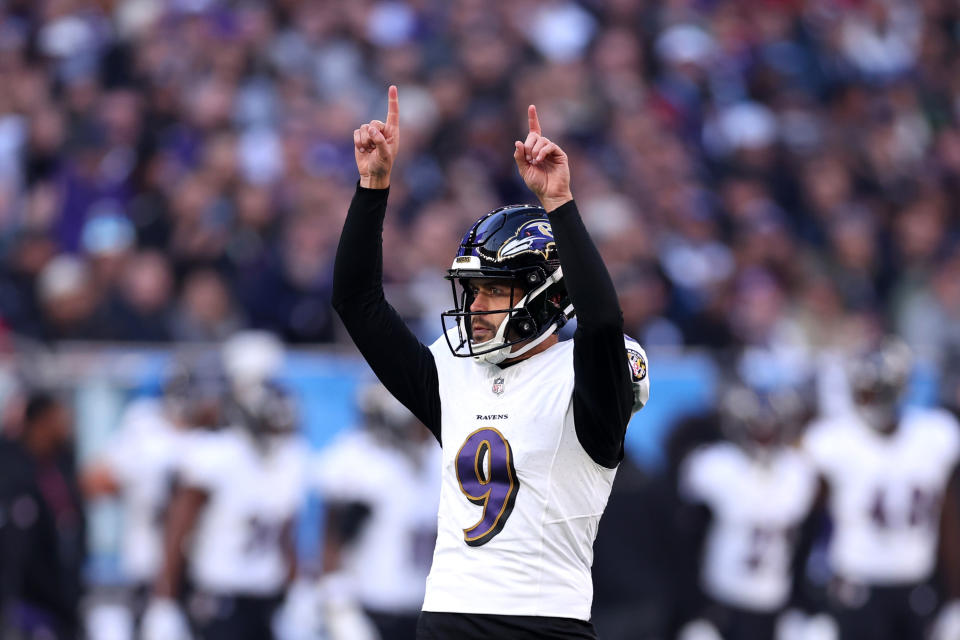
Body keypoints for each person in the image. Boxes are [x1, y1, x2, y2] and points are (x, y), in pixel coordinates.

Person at [332, 85, 650, 639]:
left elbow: (601, 321)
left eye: (491, 290)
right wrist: (372, 186)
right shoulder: (455, 374)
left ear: (546, 297)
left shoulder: (586, 379)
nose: (474, 307)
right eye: (471, 289)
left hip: (544, 623)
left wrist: (561, 203)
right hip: (447, 616)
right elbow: (355, 303)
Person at [803, 339, 960, 640]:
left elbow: (948, 519)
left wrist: (955, 596)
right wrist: (807, 602)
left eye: (880, 389)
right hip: (857, 586)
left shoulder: (933, 435)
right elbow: (801, 522)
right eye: (866, 390)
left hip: (917, 585)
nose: (873, 399)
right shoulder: (833, 441)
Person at [142, 374, 308, 640]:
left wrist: (296, 587)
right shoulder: (216, 455)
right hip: (219, 594)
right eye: (271, 426)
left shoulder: (289, 459)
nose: (278, 435)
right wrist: (164, 600)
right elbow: (177, 529)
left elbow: (285, 533)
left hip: (266, 595)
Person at [678, 383, 826, 640]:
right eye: (756, 428)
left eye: (769, 428)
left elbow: (806, 539)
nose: (763, 435)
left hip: (776, 600)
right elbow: (683, 533)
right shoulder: (716, 465)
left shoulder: (797, 471)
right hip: (720, 600)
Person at [313, 383, 441, 640]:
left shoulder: (435, 460)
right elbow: (338, 534)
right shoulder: (367, 463)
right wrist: (335, 593)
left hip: (420, 603)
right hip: (372, 601)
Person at [0, 391, 86, 640]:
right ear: (42, 422)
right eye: (60, 418)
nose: (67, 424)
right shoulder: (9, 467)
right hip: (23, 602)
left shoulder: (63, 463)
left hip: (64, 600)